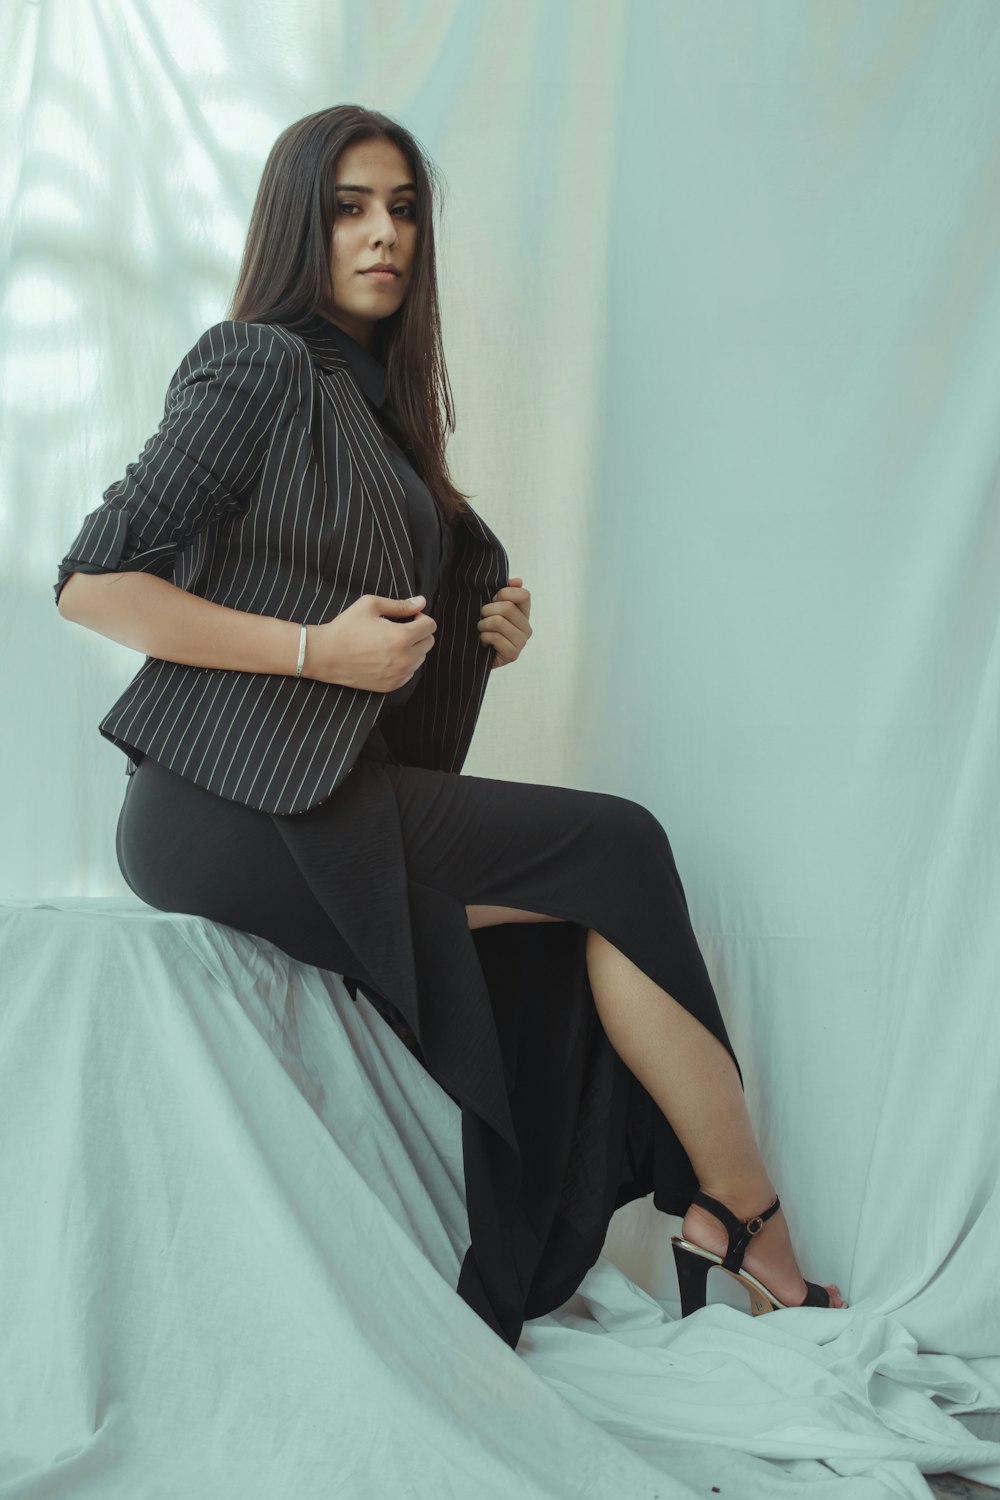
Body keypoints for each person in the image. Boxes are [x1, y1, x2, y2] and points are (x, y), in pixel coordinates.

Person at [54, 104, 845, 1349]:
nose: (385, 236)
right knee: (617, 848)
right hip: (219, 806)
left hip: (312, 795)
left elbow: (365, 655)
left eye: (404, 209)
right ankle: (744, 1225)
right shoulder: (253, 361)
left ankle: (714, 1229)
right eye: (350, 207)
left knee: (575, 917)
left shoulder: (376, 410)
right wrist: (323, 649)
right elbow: (93, 580)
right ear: (296, 225)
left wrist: (473, 628)